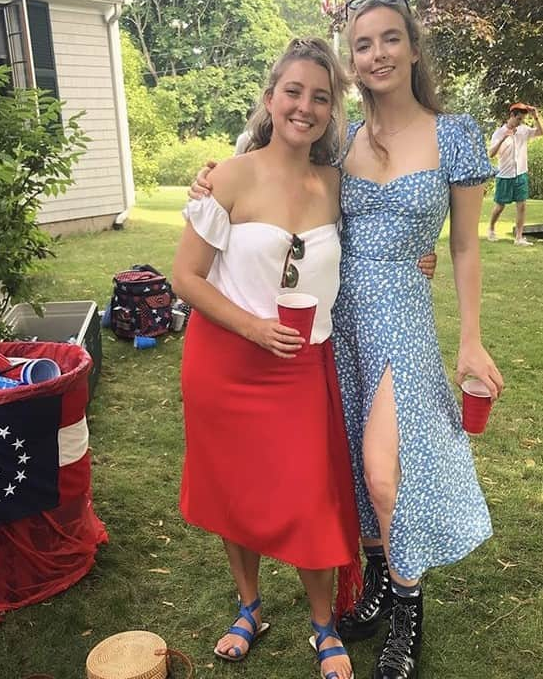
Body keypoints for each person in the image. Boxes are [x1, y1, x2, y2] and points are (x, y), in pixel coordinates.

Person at [189, 0, 503, 678]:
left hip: (399, 318)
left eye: (391, 39)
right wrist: (212, 179)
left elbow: (466, 249)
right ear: (353, 63)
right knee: (353, 471)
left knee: (387, 473)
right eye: (363, 45)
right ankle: (379, 584)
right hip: (333, 326)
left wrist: (471, 338)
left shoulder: (455, 134)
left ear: (414, 50)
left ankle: (407, 614)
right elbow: (284, 186)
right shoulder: (344, 142)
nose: (378, 53)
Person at [172, 38, 360, 679]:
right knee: (237, 491)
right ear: (270, 97)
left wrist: (418, 257)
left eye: (320, 96)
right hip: (227, 361)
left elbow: (385, 233)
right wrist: (253, 327)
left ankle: (322, 623)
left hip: (303, 365)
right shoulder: (228, 174)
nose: (304, 106)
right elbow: (186, 278)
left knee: (309, 493)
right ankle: (248, 606)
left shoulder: (336, 183)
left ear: (332, 110)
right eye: (293, 91)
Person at [487, 102, 543, 246]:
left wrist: (536, 117)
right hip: (505, 175)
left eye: (522, 120)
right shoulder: (499, 133)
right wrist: (504, 138)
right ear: (512, 116)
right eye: (518, 119)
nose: (520, 123)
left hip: (521, 174)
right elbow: (491, 154)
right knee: (500, 206)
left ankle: (519, 237)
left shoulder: (523, 130)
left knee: (522, 206)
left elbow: (542, 132)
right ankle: (491, 229)